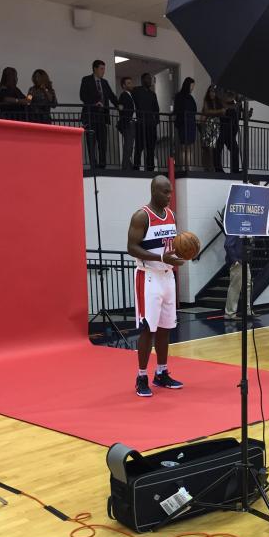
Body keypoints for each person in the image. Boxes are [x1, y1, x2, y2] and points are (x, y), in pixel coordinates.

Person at [127, 176, 185, 397]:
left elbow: (172, 246)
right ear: (154, 192)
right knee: (147, 328)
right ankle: (141, 376)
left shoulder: (171, 216)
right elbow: (131, 247)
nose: (169, 196)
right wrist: (162, 257)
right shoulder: (142, 216)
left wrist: (181, 254)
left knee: (165, 327)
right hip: (148, 276)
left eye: (170, 192)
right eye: (165, 192)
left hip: (167, 276)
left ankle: (161, 373)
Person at [80, 60, 120, 169]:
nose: (103, 71)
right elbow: (83, 96)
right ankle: (94, 165)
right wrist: (94, 103)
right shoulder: (86, 80)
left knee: (103, 143)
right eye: (101, 68)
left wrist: (119, 105)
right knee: (91, 143)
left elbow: (111, 96)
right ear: (95, 69)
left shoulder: (104, 82)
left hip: (102, 117)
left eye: (104, 69)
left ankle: (102, 166)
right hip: (90, 116)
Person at [132, 73, 160, 172]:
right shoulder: (136, 91)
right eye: (148, 79)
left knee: (150, 148)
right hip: (140, 123)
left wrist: (156, 121)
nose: (150, 80)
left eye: (150, 78)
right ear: (143, 80)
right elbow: (132, 103)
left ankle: (150, 168)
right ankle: (136, 167)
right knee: (139, 147)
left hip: (150, 124)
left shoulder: (153, 94)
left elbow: (156, 109)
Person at [224, 235, 252, 320]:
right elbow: (227, 244)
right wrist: (234, 260)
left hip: (244, 260)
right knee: (235, 287)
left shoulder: (242, 230)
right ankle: (230, 313)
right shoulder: (234, 229)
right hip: (238, 262)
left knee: (248, 285)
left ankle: (247, 311)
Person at [174, 77, 197, 170]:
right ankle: (185, 168)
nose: (193, 88)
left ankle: (188, 167)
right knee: (185, 147)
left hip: (189, 123)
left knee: (189, 147)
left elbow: (194, 110)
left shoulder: (187, 97)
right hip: (184, 123)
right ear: (188, 85)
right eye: (192, 86)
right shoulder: (181, 96)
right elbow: (178, 110)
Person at [200, 85, 224, 172]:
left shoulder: (218, 102)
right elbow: (207, 111)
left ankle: (214, 167)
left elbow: (223, 112)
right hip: (208, 126)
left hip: (216, 127)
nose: (211, 93)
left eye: (213, 91)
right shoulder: (207, 101)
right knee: (208, 147)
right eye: (210, 91)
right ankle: (209, 167)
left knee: (214, 147)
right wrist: (219, 111)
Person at [216, 91, 240, 173]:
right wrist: (235, 105)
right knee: (219, 147)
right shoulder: (223, 97)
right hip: (224, 126)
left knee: (235, 149)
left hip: (231, 130)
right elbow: (224, 104)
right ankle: (218, 169)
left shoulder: (235, 103)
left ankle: (235, 170)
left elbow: (239, 115)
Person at [117, 77, 136, 171]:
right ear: (124, 86)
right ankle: (125, 166)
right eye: (128, 83)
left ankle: (128, 164)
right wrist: (128, 119)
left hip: (132, 122)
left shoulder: (131, 95)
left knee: (130, 144)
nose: (130, 85)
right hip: (129, 123)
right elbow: (121, 108)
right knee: (128, 145)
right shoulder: (124, 95)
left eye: (131, 83)